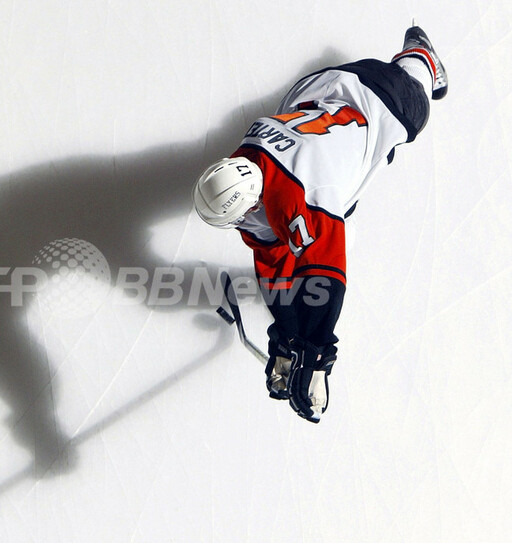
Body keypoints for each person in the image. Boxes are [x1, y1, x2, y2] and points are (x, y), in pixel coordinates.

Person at [192, 23, 448, 423]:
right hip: (324, 89)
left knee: (415, 111)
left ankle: (418, 56)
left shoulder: (304, 197)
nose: (241, 224)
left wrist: (315, 356)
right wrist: (286, 334)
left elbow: (327, 275)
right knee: (329, 214)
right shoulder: (244, 165)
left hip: (384, 98)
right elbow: (274, 262)